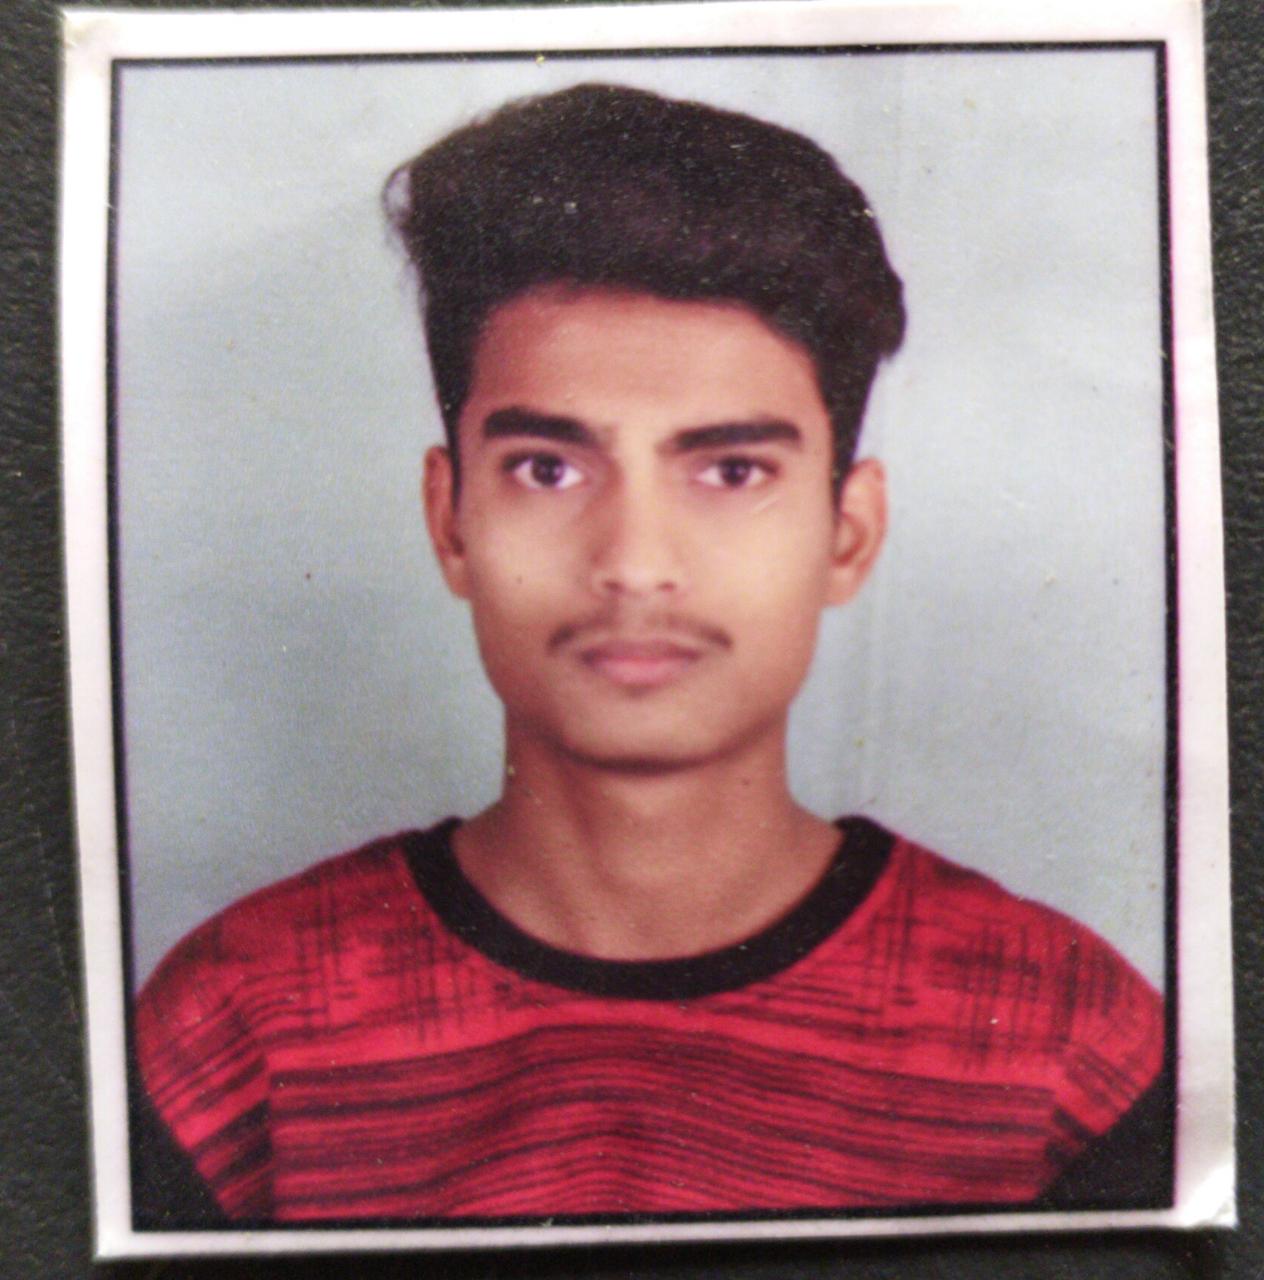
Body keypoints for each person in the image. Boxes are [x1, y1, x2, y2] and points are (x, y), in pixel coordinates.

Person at [132, 83, 1167, 1226]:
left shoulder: (1071, 1051)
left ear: (846, 532)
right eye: (547, 468)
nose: (633, 562)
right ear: (450, 519)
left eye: (730, 470)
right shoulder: (230, 1040)